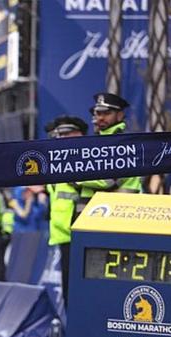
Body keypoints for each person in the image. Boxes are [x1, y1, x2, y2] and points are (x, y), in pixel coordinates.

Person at [44, 115, 88, 307]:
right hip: (64, 237)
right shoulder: (57, 165)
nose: (60, 139)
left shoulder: (84, 160)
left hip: (81, 234)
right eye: (58, 135)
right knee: (69, 293)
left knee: (79, 293)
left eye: (66, 134)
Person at [75, 93, 142, 216]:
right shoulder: (95, 141)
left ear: (120, 115)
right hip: (90, 214)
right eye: (98, 113)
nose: (100, 118)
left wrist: (74, 177)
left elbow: (108, 180)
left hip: (118, 212)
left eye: (107, 113)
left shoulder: (124, 143)